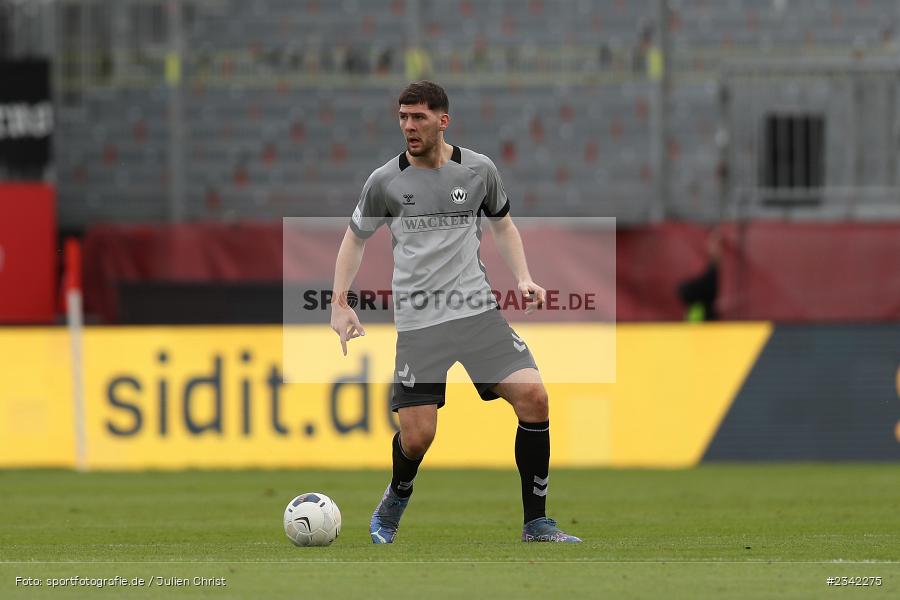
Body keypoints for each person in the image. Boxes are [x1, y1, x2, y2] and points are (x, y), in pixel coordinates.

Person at [330, 81, 581, 544]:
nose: (409, 126)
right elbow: (354, 239)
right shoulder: (385, 181)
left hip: (476, 313)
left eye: (418, 117)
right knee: (418, 437)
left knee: (535, 399)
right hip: (420, 323)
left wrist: (523, 277)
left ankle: (537, 522)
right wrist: (339, 303)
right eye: (403, 117)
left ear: (443, 121)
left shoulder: (478, 170)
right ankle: (396, 497)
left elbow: (503, 225)